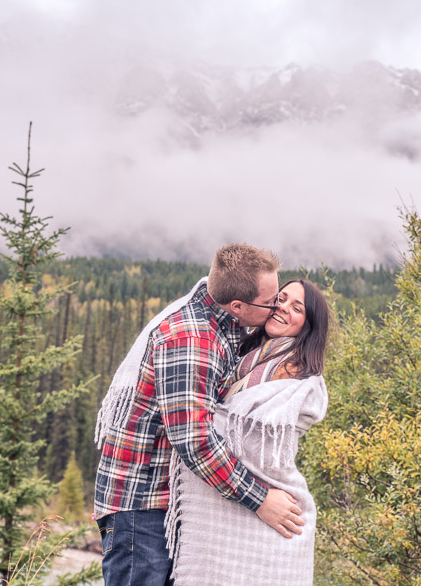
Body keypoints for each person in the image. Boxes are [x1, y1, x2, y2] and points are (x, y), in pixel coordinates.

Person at [94, 245, 306, 586]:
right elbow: (195, 440)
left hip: (162, 506)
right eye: (271, 302)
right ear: (237, 305)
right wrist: (261, 500)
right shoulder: (192, 340)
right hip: (142, 506)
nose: (275, 309)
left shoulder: (223, 325)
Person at [165, 279, 331, 586]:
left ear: (309, 325)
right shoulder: (245, 355)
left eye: (297, 308)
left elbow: (249, 440)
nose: (283, 308)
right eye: (281, 299)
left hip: (265, 500)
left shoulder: (292, 369)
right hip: (224, 496)